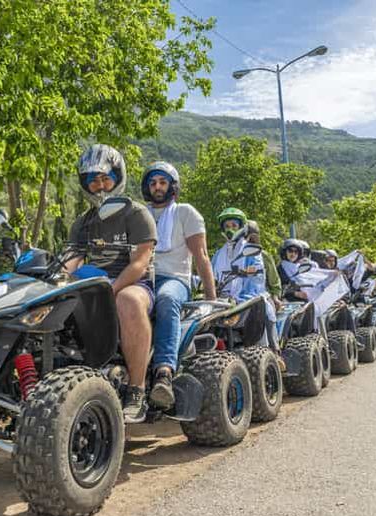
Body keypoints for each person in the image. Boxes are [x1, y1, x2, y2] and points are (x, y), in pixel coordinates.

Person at [65, 144, 156, 423]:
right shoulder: (83, 223)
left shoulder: (136, 213)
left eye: (105, 178)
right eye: (93, 180)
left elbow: (140, 263)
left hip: (136, 285)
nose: (100, 186)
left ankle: (137, 389)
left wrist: (111, 289)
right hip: (92, 285)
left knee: (126, 300)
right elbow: (71, 260)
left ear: (118, 178)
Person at [141, 161, 216, 410]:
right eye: (152, 183)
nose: (157, 187)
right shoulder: (140, 214)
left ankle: (164, 372)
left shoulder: (186, 213)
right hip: (142, 277)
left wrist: (210, 298)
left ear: (172, 186)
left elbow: (201, 256)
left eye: (162, 182)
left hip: (175, 279)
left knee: (166, 299)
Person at [212, 208, 278, 349]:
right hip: (222, 299)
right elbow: (211, 274)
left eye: (234, 226)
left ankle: (273, 350)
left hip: (247, 296)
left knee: (264, 307)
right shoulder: (218, 254)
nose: (230, 229)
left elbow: (258, 274)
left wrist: (251, 271)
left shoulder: (251, 250)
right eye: (227, 226)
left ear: (242, 227)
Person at [245, 220, 282, 304]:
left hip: (260, 299)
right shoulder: (227, 255)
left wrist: (275, 298)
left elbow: (274, 282)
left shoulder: (263, 256)